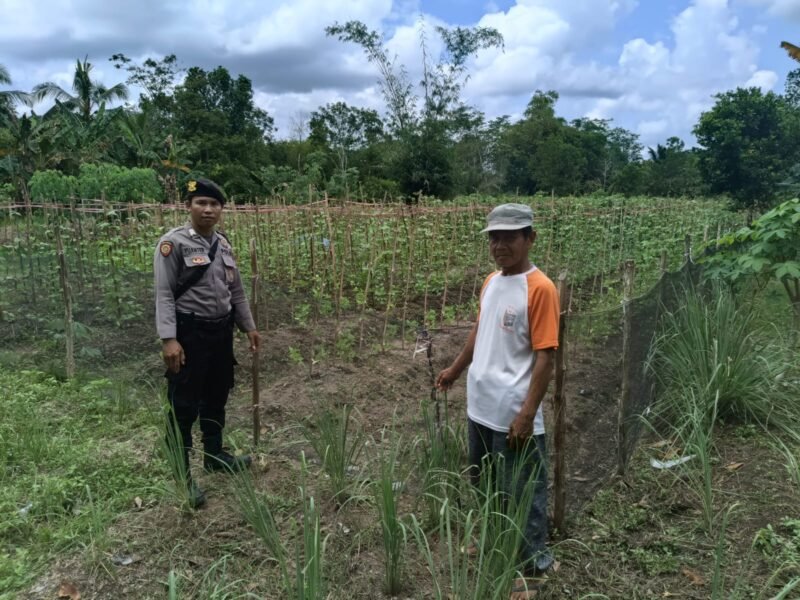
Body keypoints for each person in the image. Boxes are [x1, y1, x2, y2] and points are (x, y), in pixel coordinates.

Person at [436, 203, 559, 599]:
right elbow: (480, 330)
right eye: (494, 238)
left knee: (525, 490)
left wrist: (527, 413)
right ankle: (492, 539)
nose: (499, 245)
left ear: (530, 238)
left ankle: (532, 569)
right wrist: (455, 369)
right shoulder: (491, 281)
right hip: (481, 408)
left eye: (509, 237)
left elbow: (545, 356)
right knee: (487, 484)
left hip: (513, 414)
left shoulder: (540, 288)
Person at [154, 178, 261, 508]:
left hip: (220, 332)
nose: (208, 209)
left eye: (215, 204)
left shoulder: (224, 245)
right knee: (184, 404)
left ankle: (214, 454)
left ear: (222, 211)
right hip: (189, 334)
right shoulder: (173, 244)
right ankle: (182, 476)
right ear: (189, 206)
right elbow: (164, 294)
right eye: (201, 203)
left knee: (217, 393)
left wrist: (249, 326)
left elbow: (236, 292)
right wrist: (169, 339)